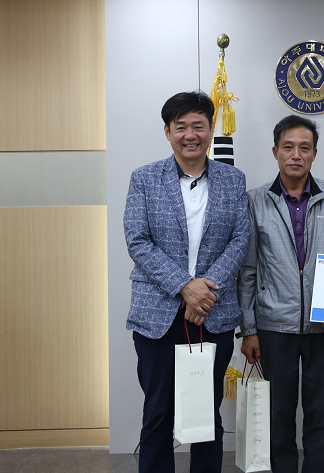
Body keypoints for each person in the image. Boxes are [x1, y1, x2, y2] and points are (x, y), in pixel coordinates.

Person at [124, 91, 251, 473]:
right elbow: (137, 240)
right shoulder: (144, 178)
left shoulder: (233, 179)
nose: (190, 135)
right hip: (158, 316)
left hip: (212, 313)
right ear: (168, 132)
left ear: (211, 130)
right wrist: (184, 286)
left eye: (199, 125)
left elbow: (240, 239)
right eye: (181, 127)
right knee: (158, 415)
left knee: (205, 415)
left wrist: (204, 290)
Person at [238, 114, 324, 473]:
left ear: (314, 154)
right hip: (274, 326)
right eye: (288, 147)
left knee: (320, 413)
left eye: (304, 148)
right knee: (278, 413)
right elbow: (248, 269)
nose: (296, 155)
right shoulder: (255, 200)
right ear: (275, 151)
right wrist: (249, 329)